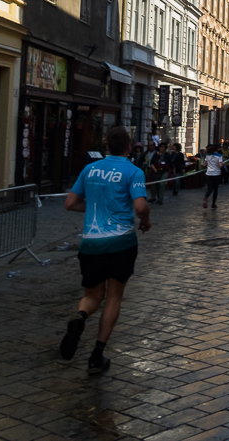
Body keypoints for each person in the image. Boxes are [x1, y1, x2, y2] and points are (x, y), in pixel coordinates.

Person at [60, 126, 150, 374]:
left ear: (106, 147)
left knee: (92, 296)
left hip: (91, 243)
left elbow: (70, 203)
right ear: (129, 147)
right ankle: (97, 355)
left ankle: (80, 317)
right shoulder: (133, 171)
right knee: (114, 297)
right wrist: (146, 221)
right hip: (121, 242)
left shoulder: (90, 169)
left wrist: (92, 209)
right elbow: (141, 207)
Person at [203, 144, 223, 209]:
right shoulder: (219, 156)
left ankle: (206, 197)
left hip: (208, 173)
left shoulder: (208, 155)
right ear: (217, 149)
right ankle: (213, 204)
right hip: (216, 174)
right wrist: (222, 164)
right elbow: (220, 165)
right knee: (215, 189)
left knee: (209, 188)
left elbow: (204, 164)